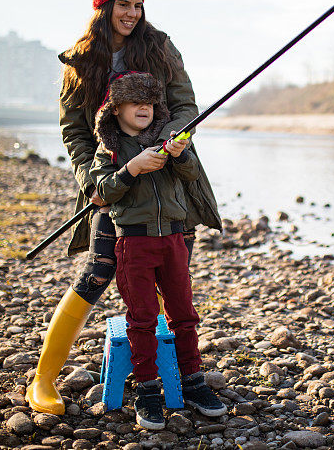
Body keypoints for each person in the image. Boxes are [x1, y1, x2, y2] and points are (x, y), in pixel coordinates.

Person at [26, 0, 222, 416]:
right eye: (123, 4)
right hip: (112, 181)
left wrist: (173, 138)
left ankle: (169, 378)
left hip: (169, 181)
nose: (132, 13)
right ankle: (43, 380)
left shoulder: (159, 46)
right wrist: (92, 181)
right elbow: (73, 130)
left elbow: (186, 105)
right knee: (97, 272)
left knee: (172, 282)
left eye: (138, 4)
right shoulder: (80, 59)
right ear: (103, 5)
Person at [90, 70, 224, 429]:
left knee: (183, 312)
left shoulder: (170, 139)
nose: (144, 108)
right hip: (133, 243)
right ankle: (147, 389)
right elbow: (100, 192)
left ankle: (193, 382)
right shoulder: (111, 148)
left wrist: (179, 155)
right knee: (143, 317)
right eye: (136, 102)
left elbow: (192, 174)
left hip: (174, 240)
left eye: (149, 103)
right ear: (116, 109)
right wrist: (131, 169)